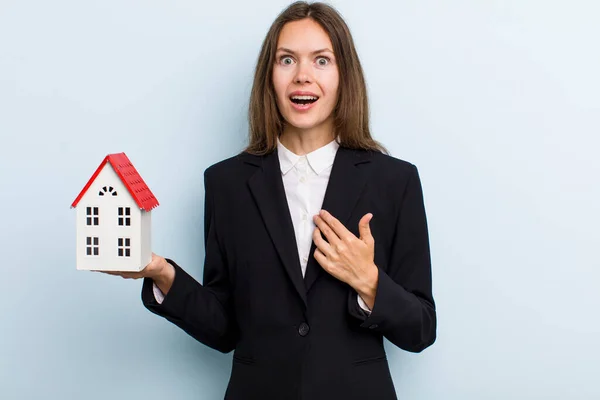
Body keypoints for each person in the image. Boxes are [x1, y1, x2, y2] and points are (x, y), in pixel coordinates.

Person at [106, 2, 436, 399]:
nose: (302, 76)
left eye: (321, 60)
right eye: (286, 60)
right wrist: (162, 274)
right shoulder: (226, 182)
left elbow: (421, 329)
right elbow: (225, 327)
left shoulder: (395, 180)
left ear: (344, 76)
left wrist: (369, 281)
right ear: (270, 77)